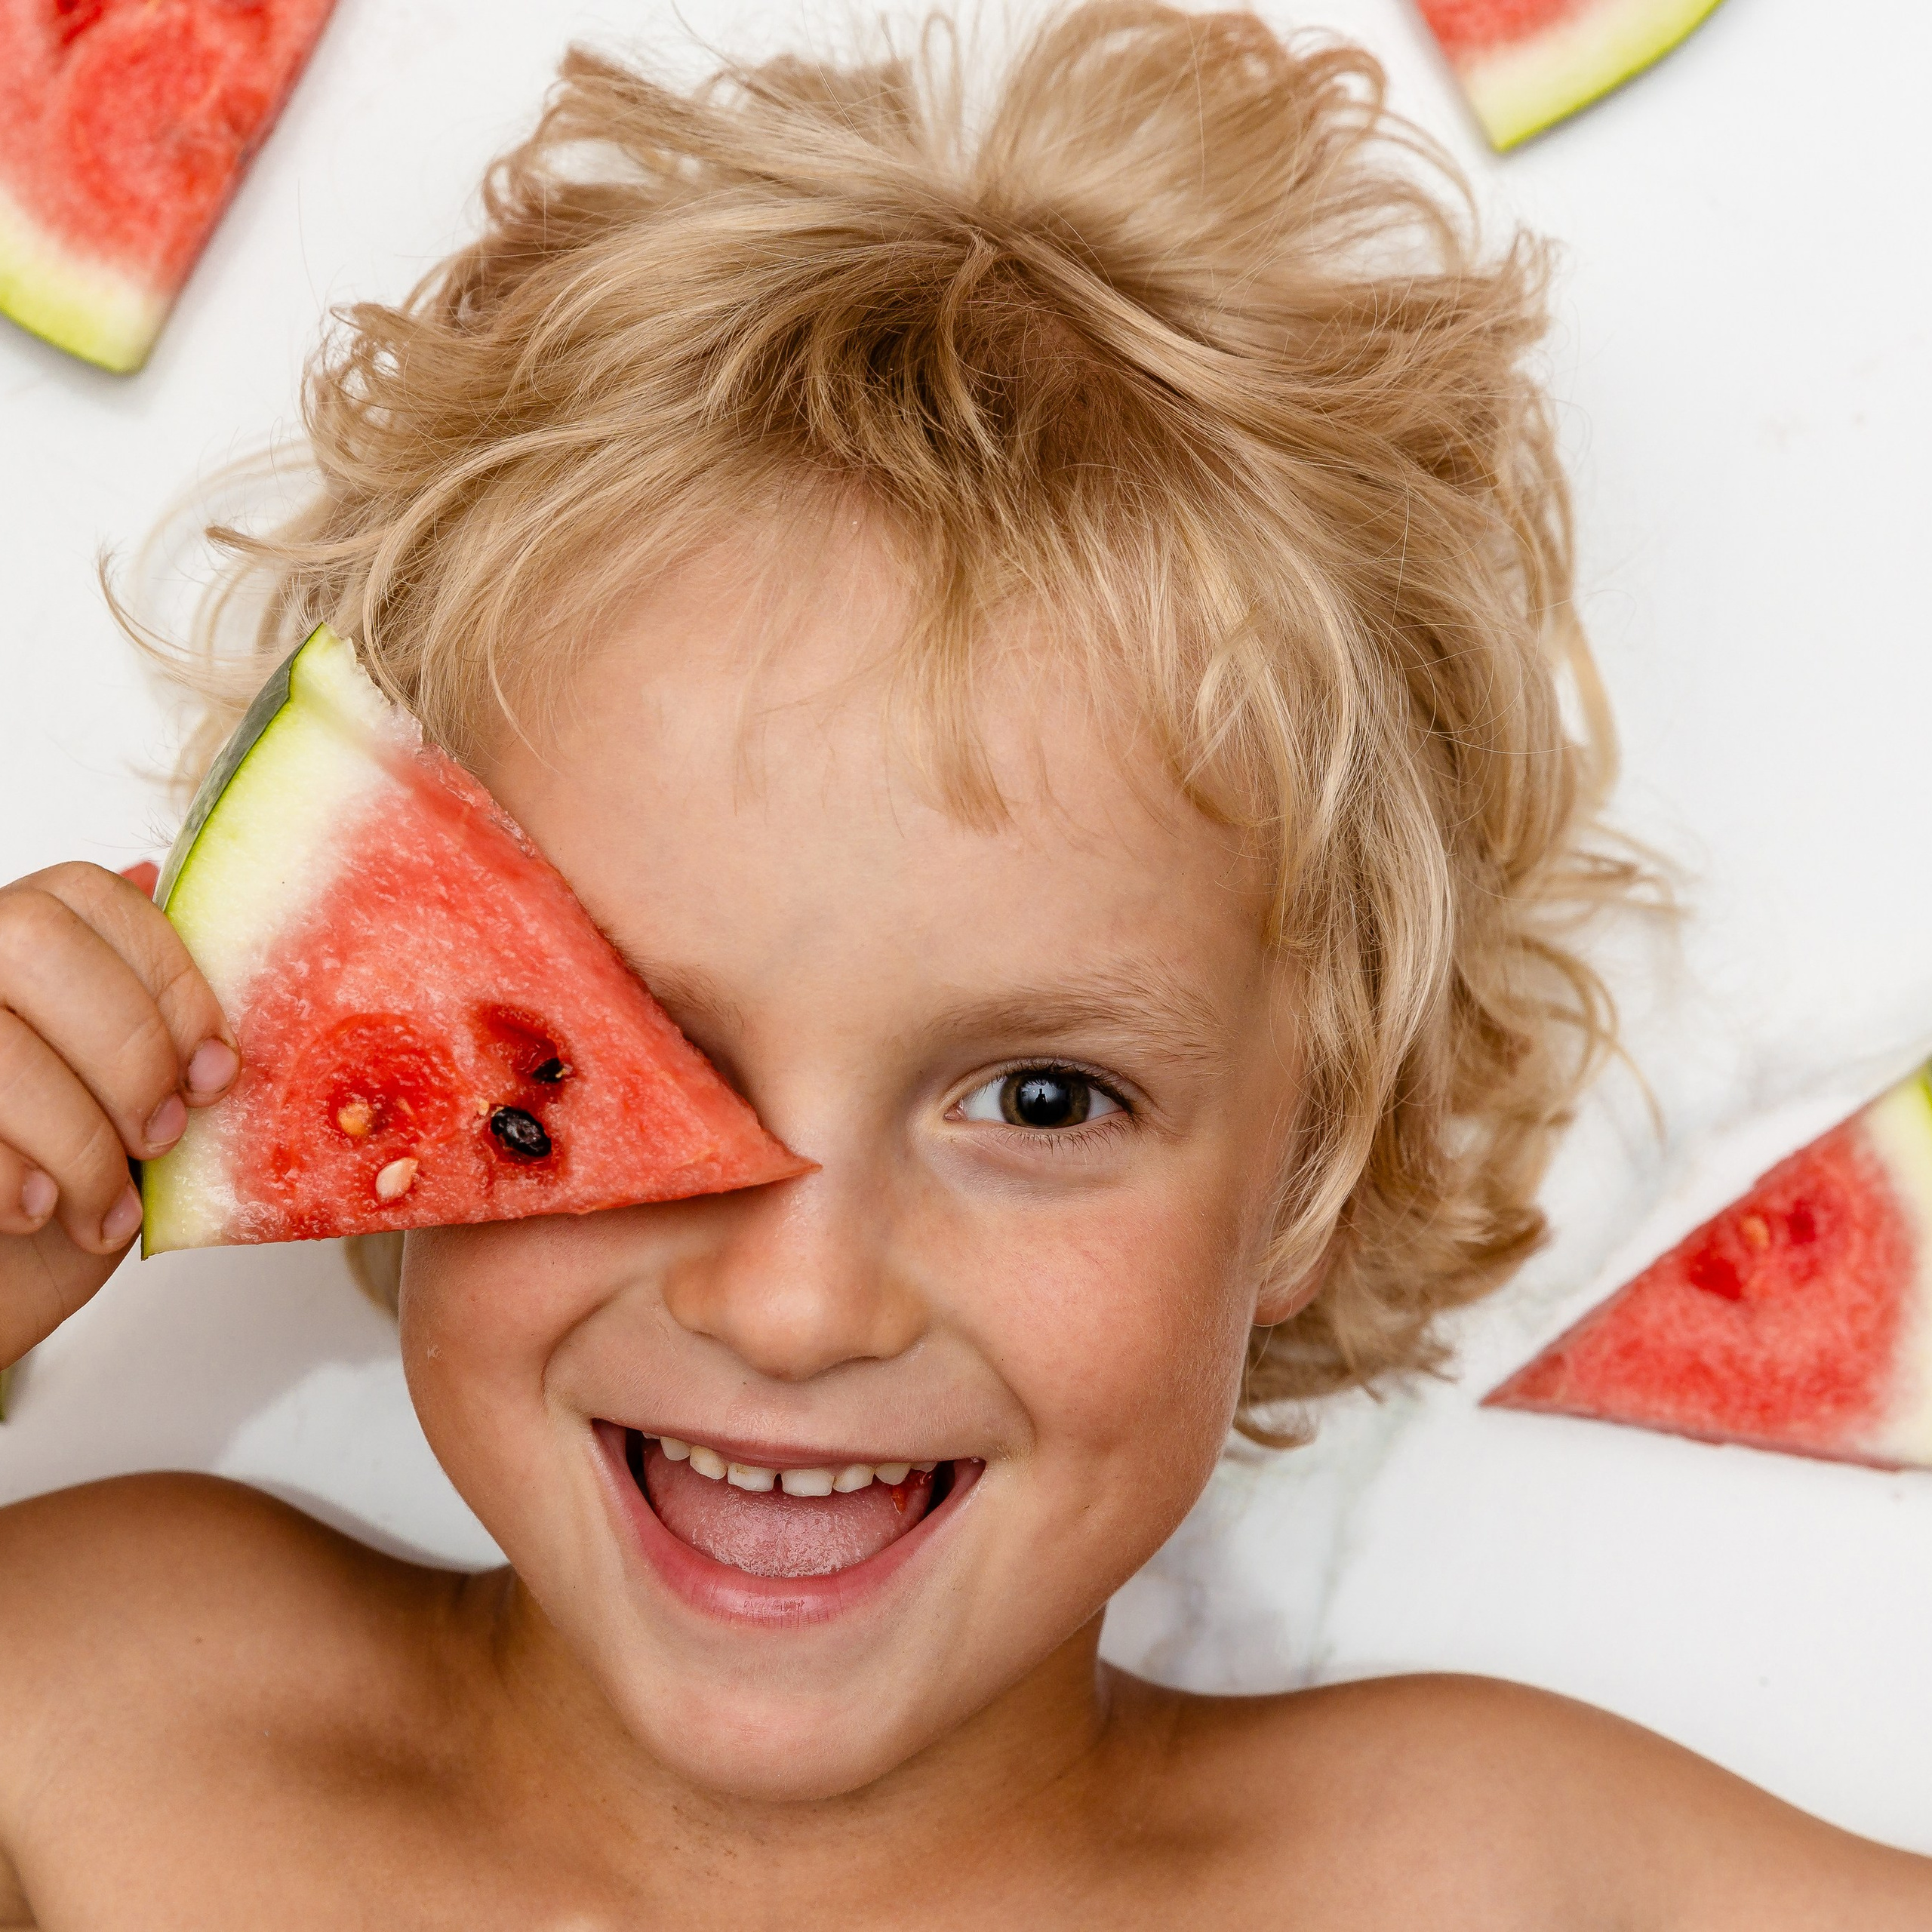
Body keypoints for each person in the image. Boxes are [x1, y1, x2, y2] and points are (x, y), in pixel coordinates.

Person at [0, 5, 1924, 1922]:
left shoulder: (1491, 1877)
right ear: (358, 1029)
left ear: (1307, 1171)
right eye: (622, 1046)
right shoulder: (96, 1711)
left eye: (1041, 1097)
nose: (796, 1300)